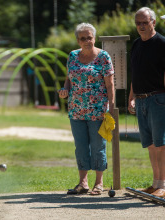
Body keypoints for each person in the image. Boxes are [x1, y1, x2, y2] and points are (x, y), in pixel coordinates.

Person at [59, 23, 115, 195]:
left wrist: (111, 108)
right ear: (78, 40)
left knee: (98, 146)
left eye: (89, 37)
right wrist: (65, 89)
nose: (87, 41)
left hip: (98, 111)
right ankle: (83, 183)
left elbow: (110, 84)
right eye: (83, 38)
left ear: (94, 38)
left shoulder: (103, 57)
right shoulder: (72, 56)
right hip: (76, 109)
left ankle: (99, 183)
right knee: (81, 146)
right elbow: (69, 79)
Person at [128, 7, 165, 197]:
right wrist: (131, 97)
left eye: (145, 22)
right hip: (141, 100)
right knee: (150, 144)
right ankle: (156, 183)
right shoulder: (136, 44)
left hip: (159, 99)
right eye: (138, 23)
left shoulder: (161, 43)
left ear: (153, 23)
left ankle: (164, 186)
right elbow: (135, 73)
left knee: (161, 144)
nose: (141, 26)